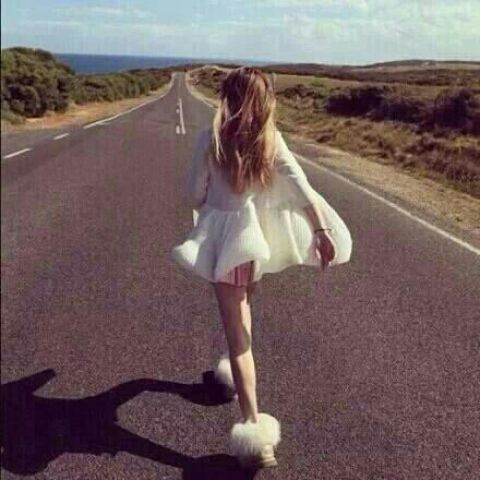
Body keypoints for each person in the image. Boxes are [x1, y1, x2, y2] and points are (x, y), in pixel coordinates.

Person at [171, 66, 352, 469]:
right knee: (243, 313)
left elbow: (193, 194)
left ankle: (255, 433)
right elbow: (303, 190)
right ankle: (229, 374)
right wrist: (321, 231)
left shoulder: (210, 140)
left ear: (228, 98)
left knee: (238, 337)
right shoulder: (272, 140)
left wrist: (215, 199)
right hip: (256, 247)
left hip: (226, 245)